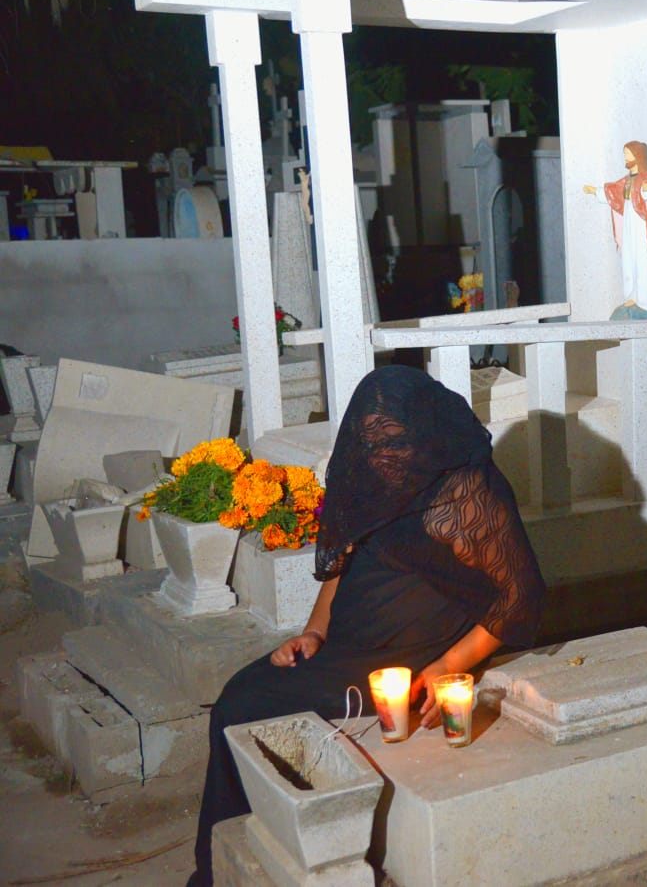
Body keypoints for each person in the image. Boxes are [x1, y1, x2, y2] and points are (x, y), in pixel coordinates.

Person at [187, 365, 545, 886]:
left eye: (394, 440)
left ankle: (219, 876)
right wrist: (314, 633)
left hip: (404, 658)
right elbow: (341, 566)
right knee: (242, 693)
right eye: (372, 441)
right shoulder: (370, 480)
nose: (383, 454)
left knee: (241, 708)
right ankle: (229, 859)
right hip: (346, 647)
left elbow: (520, 597)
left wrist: (445, 668)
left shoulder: (463, 491)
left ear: (424, 433)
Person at [584, 140, 647, 319]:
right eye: (625, 154)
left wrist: (646, 191)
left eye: (628, 154)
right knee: (629, 259)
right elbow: (614, 190)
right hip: (629, 225)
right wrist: (596, 190)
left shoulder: (646, 177)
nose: (626, 157)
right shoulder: (628, 180)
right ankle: (631, 297)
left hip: (641, 226)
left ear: (638, 156)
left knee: (643, 262)